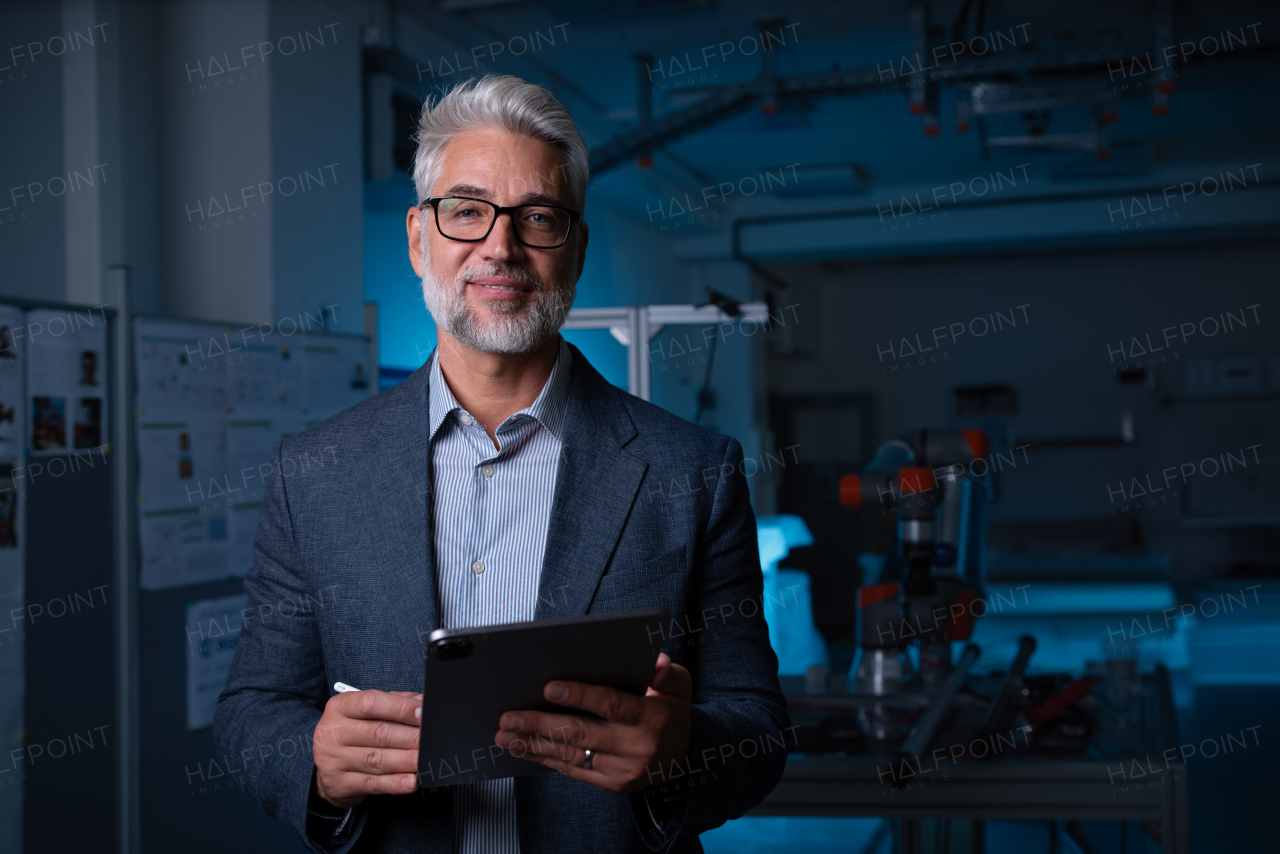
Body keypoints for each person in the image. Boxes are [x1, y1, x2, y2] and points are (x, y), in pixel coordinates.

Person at [213, 75, 787, 854]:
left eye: (538, 217)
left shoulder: (694, 470)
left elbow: (756, 725)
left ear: (575, 249)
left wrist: (678, 755)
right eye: (467, 210)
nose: (500, 246)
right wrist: (314, 759)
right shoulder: (312, 472)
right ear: (419, 238)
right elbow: (255, 708)